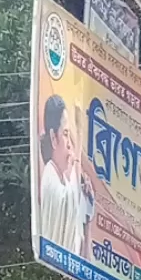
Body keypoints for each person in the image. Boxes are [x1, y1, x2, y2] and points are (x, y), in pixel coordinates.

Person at [38, 93, 90, 257]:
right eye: (66, 134)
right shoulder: (49, 175)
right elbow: (69, 200)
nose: (70, 144)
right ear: (54, 138)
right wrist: (80, 135)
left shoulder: (65, 180)